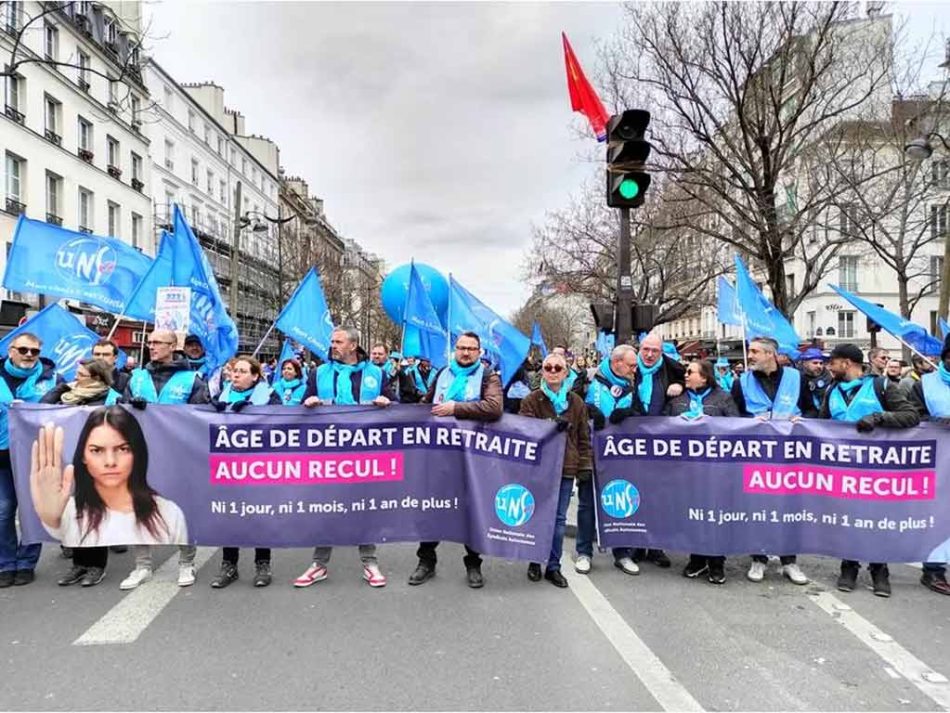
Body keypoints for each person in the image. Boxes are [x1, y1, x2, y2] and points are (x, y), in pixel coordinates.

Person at [819, 344, 919, 598]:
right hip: (843, 469)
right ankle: (849, 566)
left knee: (875, 520)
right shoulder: (832, 389)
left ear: (848, 363)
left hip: (877, 469)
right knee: (847, 519)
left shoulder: (881, 386)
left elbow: (911, 416)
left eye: (833, 362)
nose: (829, 367)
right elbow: (820, 424)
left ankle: (879, 569)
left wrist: (879, 417)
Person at [295, 327, 392, 589]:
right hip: (329, 452)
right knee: (326, 507)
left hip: (364, 453)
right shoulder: (319, 372)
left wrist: (387, 402)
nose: (333, 345)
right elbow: (303, 404)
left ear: (353, 345)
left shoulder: (376, 373)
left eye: (338, 341)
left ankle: (369, 563)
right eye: (332, 341)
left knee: (363, 507)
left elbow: (395, 406)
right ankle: (319, 563)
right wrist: (309, 402)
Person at [408, 331, 503, 589]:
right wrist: (393, 407)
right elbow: (426, 405)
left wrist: (456, 408)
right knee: (432, 507)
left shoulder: (487, 376)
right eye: (461, 347)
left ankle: (473, 563)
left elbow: (494, 407)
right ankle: (426, 561)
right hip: (438, 455)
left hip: (471, 457)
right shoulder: (442, 374)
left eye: (471, 348)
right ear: (455, 350)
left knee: (470, 510)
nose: (465, 352)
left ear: (479, 352)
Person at [120, 329, 209, 591]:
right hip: (141, 454)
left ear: (173, 346)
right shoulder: (137, 378)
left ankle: (186, 562)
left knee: (182, 509)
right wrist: (130, 407)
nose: (152, 346)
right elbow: (120, 415)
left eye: (158, 342)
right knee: (139, 508)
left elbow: (201, 417)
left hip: (178, 457)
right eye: (150, 342)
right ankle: (142, 565)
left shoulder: (192, 379)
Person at [30, 408, 188, 550]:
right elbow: (57, 530)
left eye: (122, 449)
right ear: (83, 456)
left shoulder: (168, 514)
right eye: (97, 450)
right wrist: (51, 517)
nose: (110, 462)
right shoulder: (68, 511)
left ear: (137, 452)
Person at [731, 336, 814, 585]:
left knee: (789, 507)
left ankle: (790, 561)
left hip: (790, 453)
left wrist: (802, 421)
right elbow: (733, 415)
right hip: (757, 454)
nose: (751, 355)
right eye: (751, 351)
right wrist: (748, 422)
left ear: (771, 354)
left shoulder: (796, 378)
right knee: (759, 506)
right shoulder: (741, 382)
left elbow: (811, 410)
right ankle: (759, 558)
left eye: (755, 351)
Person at [519, 352, 591, 588]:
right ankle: (534, 560)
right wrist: (549, 426)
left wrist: (584, 466)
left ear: (566, 372)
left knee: (559, 521)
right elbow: (524, 430)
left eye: (557, 368)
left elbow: (583, 438)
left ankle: (553, 565)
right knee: (537, 515)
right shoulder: (531, 400)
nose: (552, 371)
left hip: (566, 467)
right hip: (539, 467)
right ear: (542, 371)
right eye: (547, 367)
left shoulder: (577, 403)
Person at [209, 356, 281, 589]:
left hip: (258, 465)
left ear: (255, 376)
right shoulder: (221, 395)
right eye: (233, 371)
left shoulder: (269, 396)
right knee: (229, 515)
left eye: (241, 371)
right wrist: (214, 409)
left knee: (259, 513)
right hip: (228, 466)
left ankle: (262, 563)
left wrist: (251, 412)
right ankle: (229, 564)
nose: (235, 375)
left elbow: (281, 424)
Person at [664, 359, 738, 584]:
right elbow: (662, 426)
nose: (685, 375)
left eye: (690, 372)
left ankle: (716, 562)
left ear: (704, 377)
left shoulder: (723, 397)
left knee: (715, 515)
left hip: (716, 468)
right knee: (692, 513)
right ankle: (696, 558)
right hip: (686, 469)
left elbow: (736, 426)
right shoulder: (678, 399)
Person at [0, 332, 60, 587]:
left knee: (32, 510)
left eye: (34, 351)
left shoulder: (53, 379)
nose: (28, 355)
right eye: (23, 350)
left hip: (36, 454)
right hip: (2, 455)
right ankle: (5, 563)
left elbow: (75, 403)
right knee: (3, 511)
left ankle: (26, 563)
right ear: (10, 350)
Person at [582, 344, 641, 576]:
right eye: (631, 365)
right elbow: (570, 405)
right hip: (590, 449)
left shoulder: (633, 384)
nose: (635, 369)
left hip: (619, 453)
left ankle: (622, 553)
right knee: (587, 504)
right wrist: (587, 410)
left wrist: (630, 413)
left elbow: (643, 414)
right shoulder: (588, 378)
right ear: (617, 363)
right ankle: (584, 552)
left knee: (619, 500)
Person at [628, 333, 685, 569]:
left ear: (662, 352)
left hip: (662, 441)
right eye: (646, 350)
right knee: (637, 492)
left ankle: (657, 546)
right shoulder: (629, 367)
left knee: (660, 495)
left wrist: (679, 385)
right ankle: (637, 544)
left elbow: (691, 386)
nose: (650, 355)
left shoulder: (673, 368)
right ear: (639, 349)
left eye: (655, 351)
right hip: (633, 439)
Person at [906, 339, 950, 595]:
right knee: (939, 516)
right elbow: (913, 417)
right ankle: (933, 571)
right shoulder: (925, 384)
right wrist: (937, 422)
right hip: (938, 462)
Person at [799, 347, 832, 413]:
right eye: (815, 363)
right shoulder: (797, 378)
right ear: (805, 363)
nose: (819, 366)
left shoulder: (829, 379)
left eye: (821, 363)